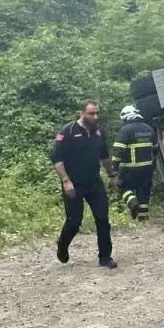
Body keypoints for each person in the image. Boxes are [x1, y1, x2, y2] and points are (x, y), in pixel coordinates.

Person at [51, 100, 118, 269]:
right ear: (82, 113)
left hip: (94, 182)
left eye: (97, 113)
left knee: (103, 219)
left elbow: (104, 157)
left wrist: (111, 175)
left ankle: (105, 257)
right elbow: (57, 160)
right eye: (91, 113)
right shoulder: (68, 131)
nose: (95, 116)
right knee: (74, 222)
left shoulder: (99, 132)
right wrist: (66, 181)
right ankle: (63, 244)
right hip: (73, 183)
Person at [113, 105, 157, 220]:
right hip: (147, 168)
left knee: (123, 186)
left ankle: (132, 203)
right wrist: (153, 165)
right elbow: (155, 149)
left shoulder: (125, 130)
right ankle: (143, 218)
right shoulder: (149, 129)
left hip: (129, 169)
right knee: (144, 192)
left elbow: (118, 151)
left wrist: (114, 168)